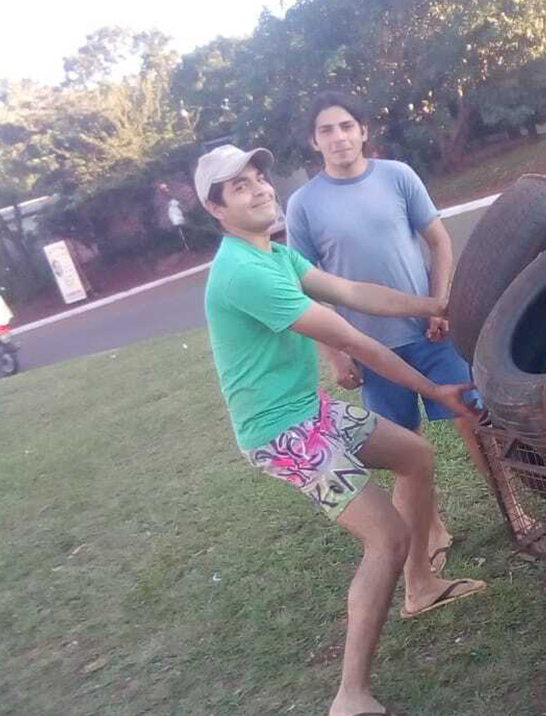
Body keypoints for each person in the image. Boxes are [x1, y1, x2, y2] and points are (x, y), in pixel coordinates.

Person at [196, 144, 486, 716]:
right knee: (386, 538)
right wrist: (434, 391)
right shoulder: (242, 273)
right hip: (280, 432)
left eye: (260, 176)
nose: (259, 189)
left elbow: (357, 294)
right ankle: (350, 696)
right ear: (216, 209)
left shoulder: (277, 256)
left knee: (416, 456)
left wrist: (439, 301)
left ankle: (421, 586)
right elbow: (354, 338)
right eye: (239, 186)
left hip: (310, 410)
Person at [286, 91, 491, 573]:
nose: (337, 137)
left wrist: (442, 304)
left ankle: (512, 507)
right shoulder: (303, 205)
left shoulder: (397, 176)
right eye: (326, 130)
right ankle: (433, 529)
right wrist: (336, 354)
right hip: (371, 352)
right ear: (314, 141)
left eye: (345, 126)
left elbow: (438, 241)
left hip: (434, 337)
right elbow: (305, 289)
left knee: (476, 422)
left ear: (362, 130)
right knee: (407, 452)